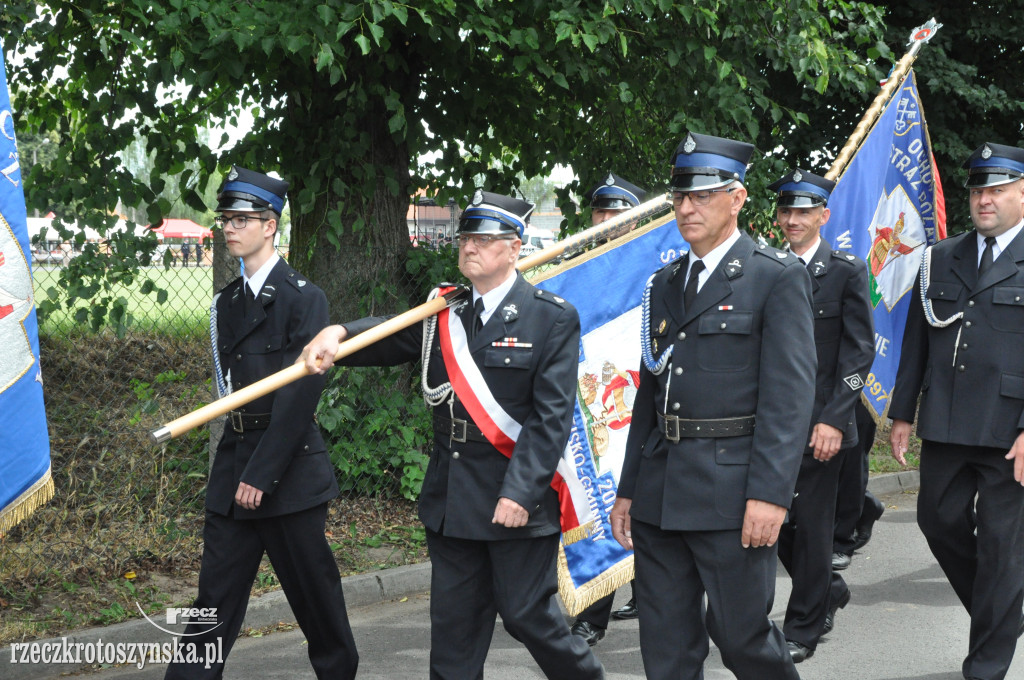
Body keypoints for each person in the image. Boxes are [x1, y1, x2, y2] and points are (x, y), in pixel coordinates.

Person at [302, 190, 604, 680]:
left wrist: (521, 493)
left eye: (484, 239)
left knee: (529, 618)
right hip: (454, 499)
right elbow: (389, 335)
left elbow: (551, 418)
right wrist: (338, 333)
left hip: (515, 501)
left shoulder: (551, 317)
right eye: (466, 237)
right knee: (453, 636)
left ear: (514, 247)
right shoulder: (443, 312)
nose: (470, 247)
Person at [609, 131, 817, 680]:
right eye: (680, 196)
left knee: (741, 636)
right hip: (661, 491)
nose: (685, 207)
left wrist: (770, 495)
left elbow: (789, 399)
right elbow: (649, 396)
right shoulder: (666, 282)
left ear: (738, 197)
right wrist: (629, 488)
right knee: (666, 645)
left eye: (701, 196)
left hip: (732, 493)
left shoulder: (776, 276)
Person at [164, 166, 358, 680]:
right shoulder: (226, 303)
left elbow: (300, 398)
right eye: (226, 217)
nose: (229, 227)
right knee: (213, 603)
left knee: (316, 602)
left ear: (270, 225)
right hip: (234, 466)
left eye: (242, 218)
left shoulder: (303, 297)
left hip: (287, 473)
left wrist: (262, 473)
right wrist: (242, 471)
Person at [889, 141, 1024, 680]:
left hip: (1009, 428)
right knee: (936, 519)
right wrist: (902, 412)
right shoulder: (940, 257)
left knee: (1001, 548)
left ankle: (986, 665)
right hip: (946, 420)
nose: (983, 199)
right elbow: (916, 340)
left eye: (995, 189)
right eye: (976, 190)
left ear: (1022, 192)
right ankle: (1004, 611)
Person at [768, 168, 875, 662]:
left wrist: (834, 419)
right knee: (779, 524)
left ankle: (802, 628)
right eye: (787, 210)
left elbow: (857, 353)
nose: (793, 219)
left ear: (823, 216)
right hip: (771, 422)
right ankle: (826, 587)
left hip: (821, 423)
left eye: (804, 211)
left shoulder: (846, 270)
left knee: (811, 525)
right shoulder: (765, 266)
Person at [569, 172, 647, 647]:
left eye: (618, 214)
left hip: (647, 402)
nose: (608, 222)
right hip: (597, 403)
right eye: (601, 212)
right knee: (601, 498)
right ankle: (591, 617)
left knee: (644, 500)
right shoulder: (573, 269)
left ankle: (652, 593)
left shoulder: (661, 265)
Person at [832, 400, 885, 569]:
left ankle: (841, 542)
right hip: (817, 382)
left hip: (860, 391)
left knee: (851, 466)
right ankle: (867, 504)